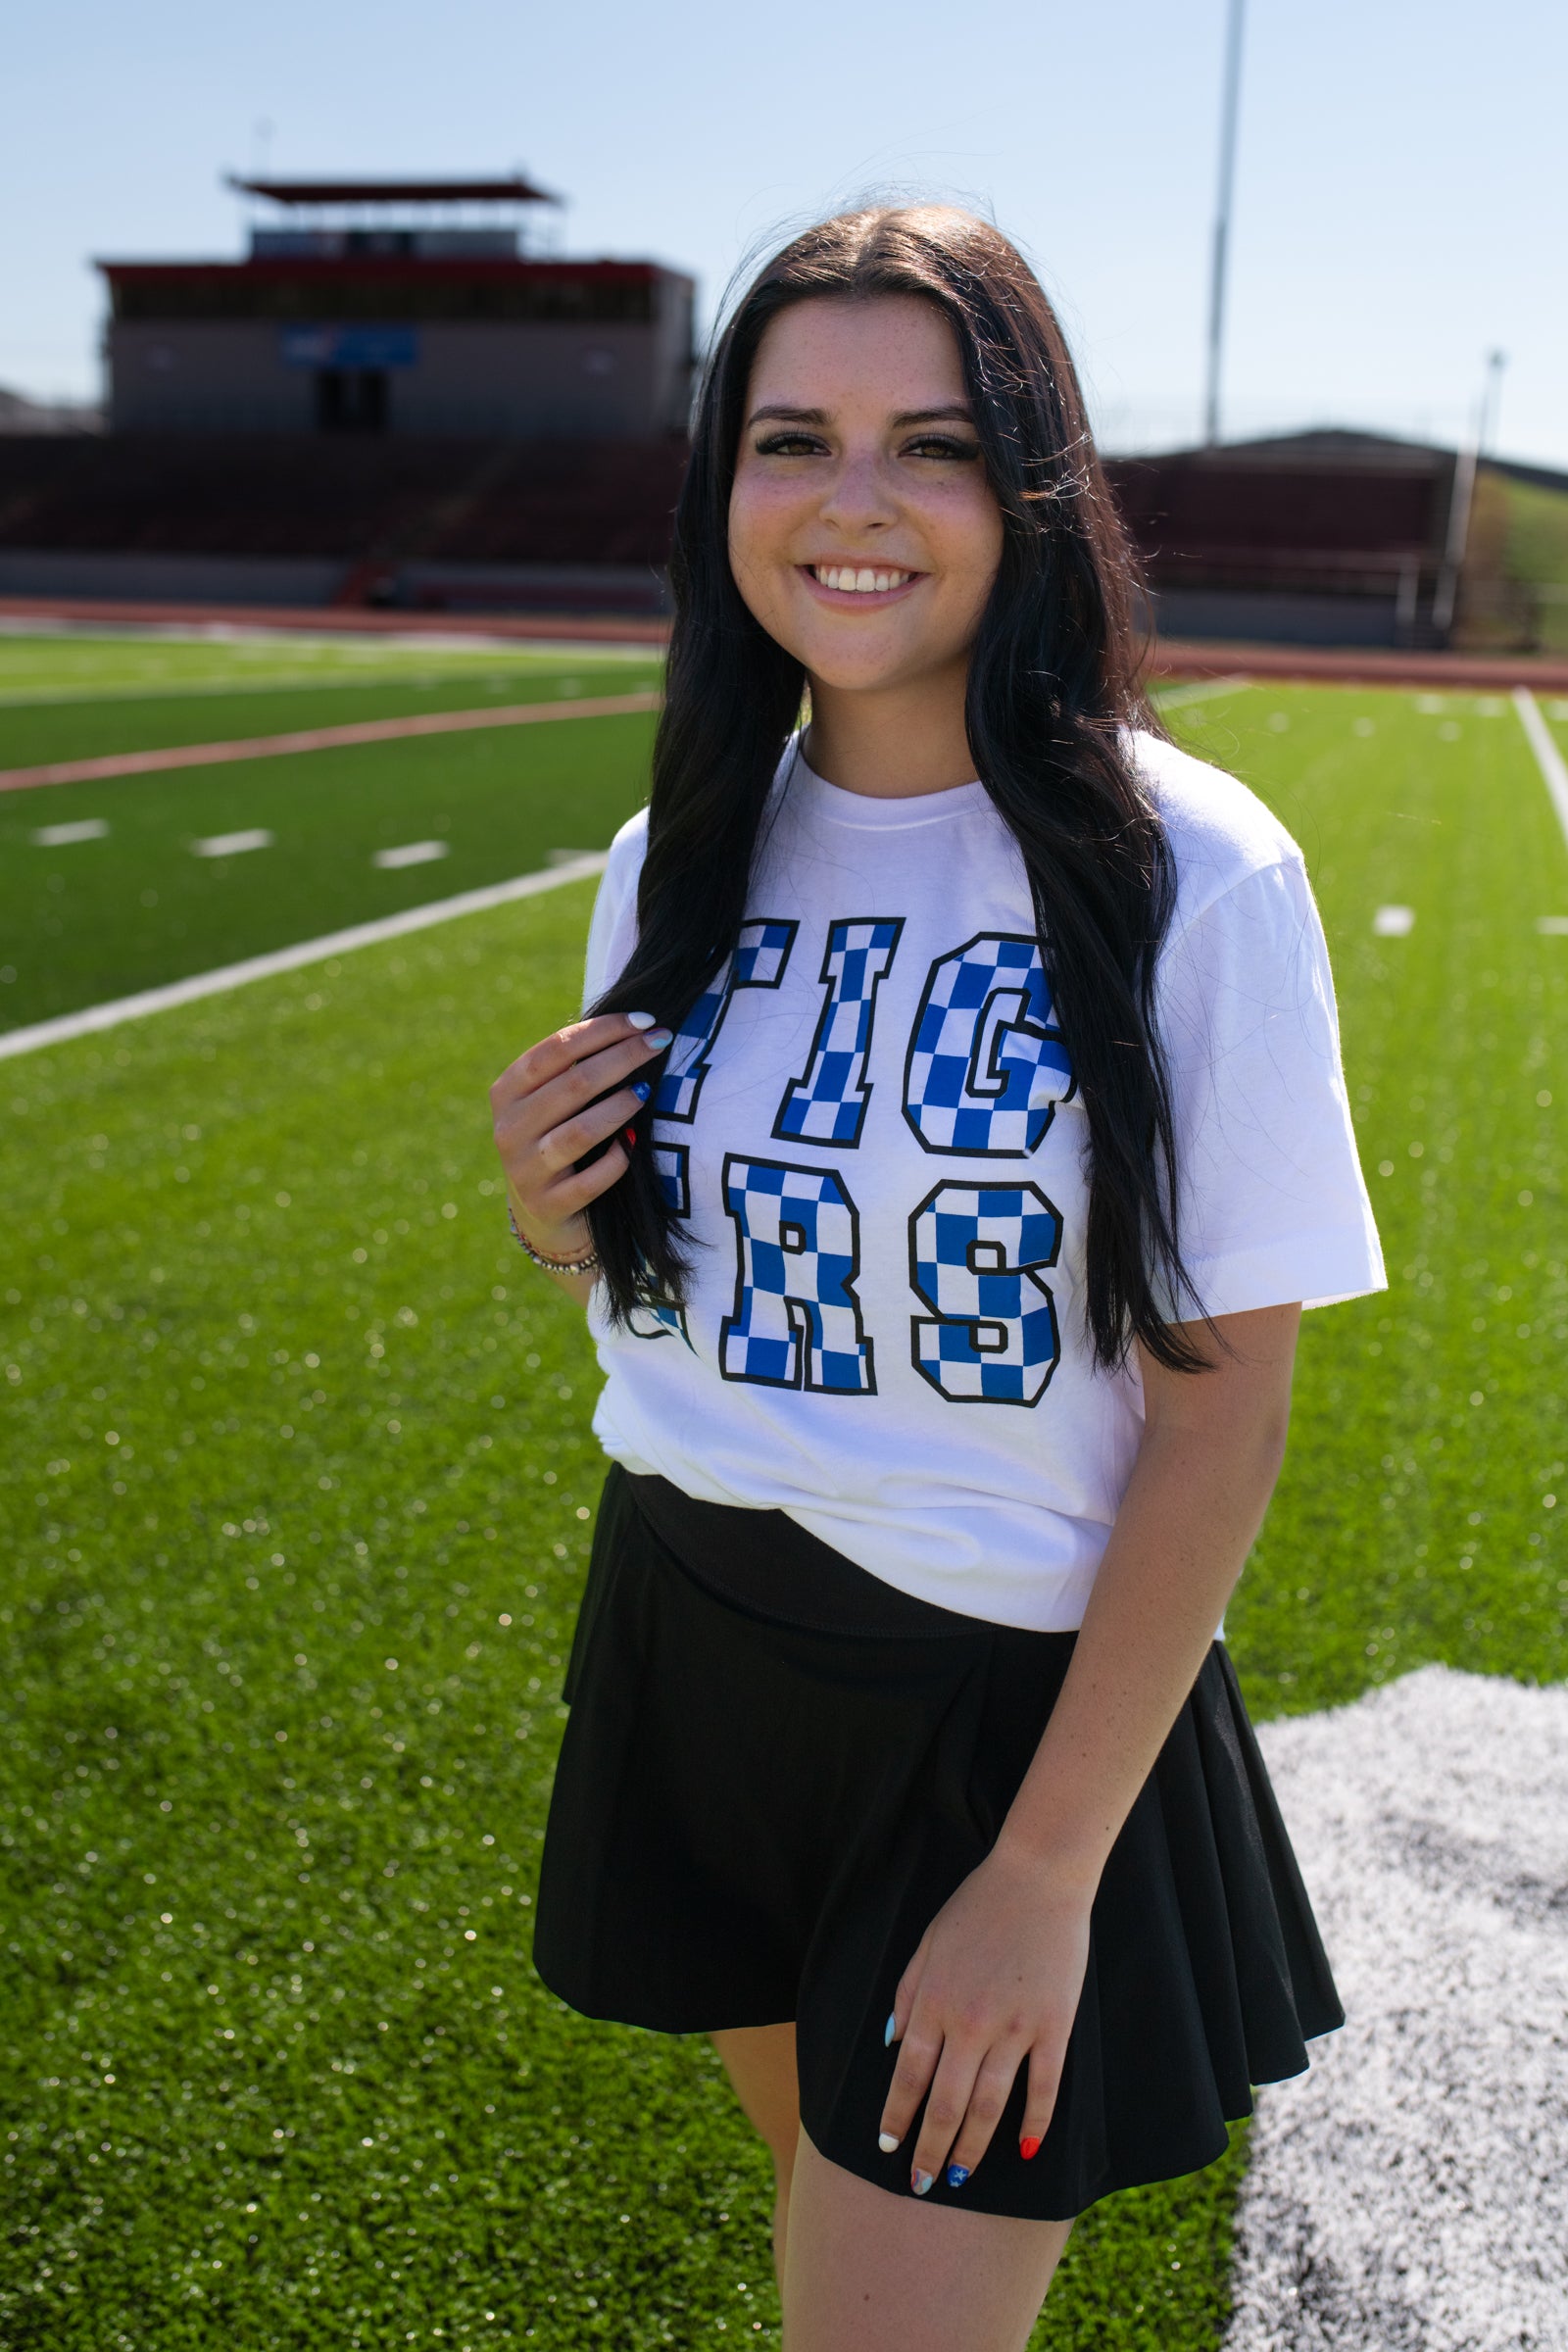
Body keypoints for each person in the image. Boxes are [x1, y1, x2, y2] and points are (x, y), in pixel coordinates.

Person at [489, 205, 1384, 2352]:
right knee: (830, 2244)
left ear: (1031, 490)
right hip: (695, 1632)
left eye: (933, 443)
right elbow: (656, 1288)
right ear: (724, 490)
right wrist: (548, 1209)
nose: (851, 504)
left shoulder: (1192, 867)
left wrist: (1044, 1871)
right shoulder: (669, 858)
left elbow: (1220, 1402)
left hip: (995, 1708)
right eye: (791, 438)